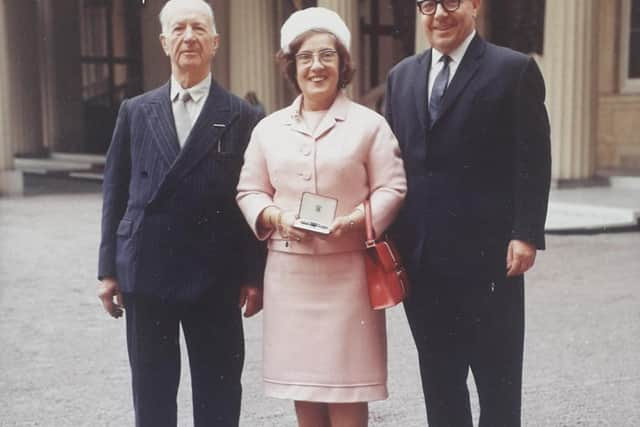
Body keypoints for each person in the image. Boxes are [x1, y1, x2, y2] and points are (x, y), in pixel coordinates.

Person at [96, 1, 265, 426]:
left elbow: (251, 195)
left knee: (220, 392)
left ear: (215, 42)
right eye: (178, 29)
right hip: (146, 270)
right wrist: (108, 271)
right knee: (151, 395)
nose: (188, 36)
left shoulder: (242, 116)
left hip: (215, 274)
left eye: (198, 28)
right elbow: (114, 194)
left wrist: (252, 275)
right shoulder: (135, 111)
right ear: (164, 42)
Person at [236, 7, 406, 427]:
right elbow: (249, 190)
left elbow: (393, 187)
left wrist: (354, 220)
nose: (316, 66)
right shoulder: (268, 129)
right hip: (290, 277)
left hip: (348, 278)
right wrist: (274, 216)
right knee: (304, 395)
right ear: (291, 66)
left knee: (347, 395)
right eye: (306, 57)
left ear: (342, 64)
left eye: (327, 56)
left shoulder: (370, 125)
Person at [384, 0, 551, 426]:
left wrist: (526, 232)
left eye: (451, 1)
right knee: (441, 387)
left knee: (497, 389)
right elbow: (391, 165)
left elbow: (533, 158)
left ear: (475, 5)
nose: (439, 13)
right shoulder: (401, 77)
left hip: (490, 262)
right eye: (427, 3)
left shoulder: (512, 71)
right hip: (422, 264)